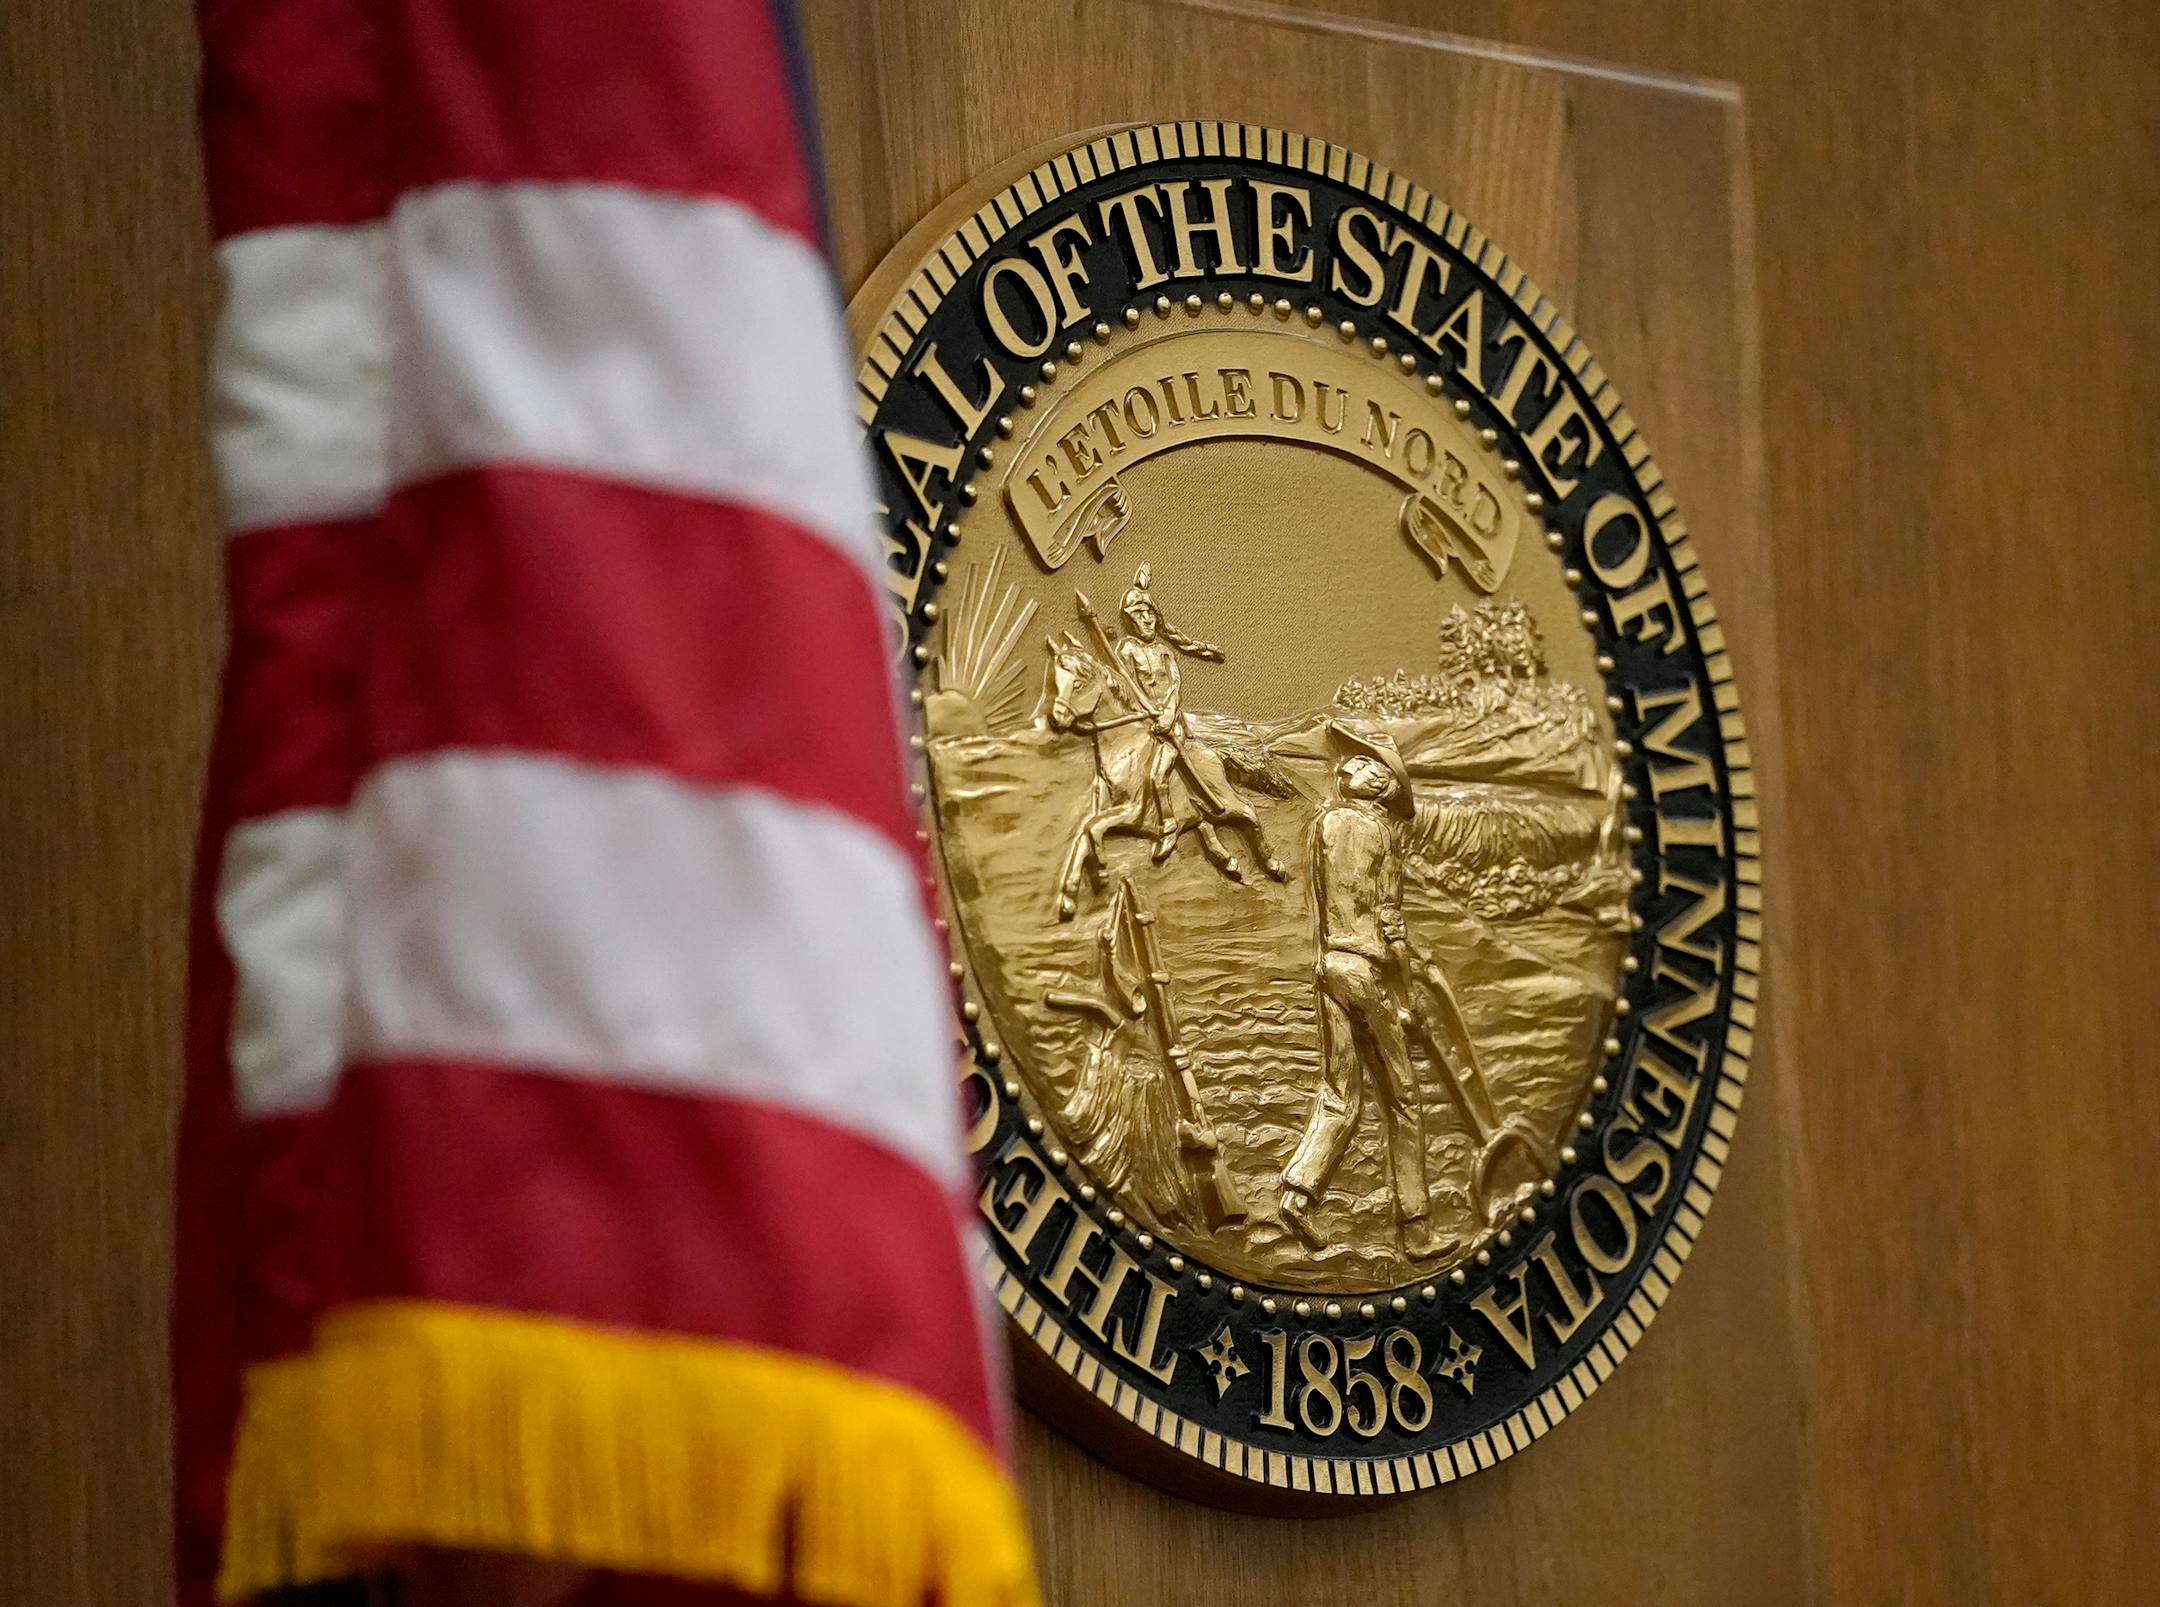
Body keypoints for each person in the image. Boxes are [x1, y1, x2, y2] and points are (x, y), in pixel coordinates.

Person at [1279, 724, 1456, 1260]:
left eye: (1367, 762)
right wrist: (1404, 998)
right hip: (1367, 972)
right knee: (1403, 1099)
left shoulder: (1326, 824)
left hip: (1329, 965)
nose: (1353, 764)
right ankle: (1417, 1227)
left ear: (1381, 784)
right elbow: (1390, 922)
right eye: (1356, 760)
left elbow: (1324, 904)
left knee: (1339, 1093)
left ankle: (1298, 1192)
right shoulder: (1380, 835)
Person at [1111, 565, 1283, 875]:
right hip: (1146, 728)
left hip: (1170, 727)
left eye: (1150, 613)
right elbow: (1128, 687)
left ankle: (1167, 827)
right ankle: (1206, 839)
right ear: (1129, 619)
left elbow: (1176, 686)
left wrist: (1168, 713)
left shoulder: (1165, 652)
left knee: (1158, 776)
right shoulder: (1126, 650)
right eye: (1139, 614)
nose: (1147, 619)